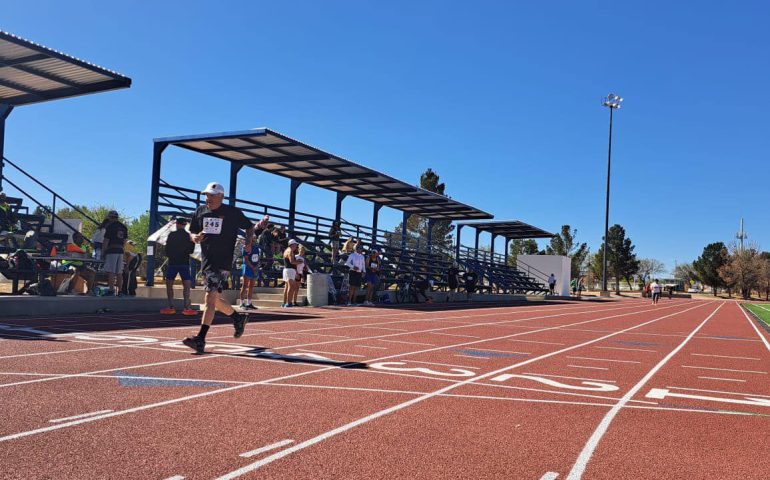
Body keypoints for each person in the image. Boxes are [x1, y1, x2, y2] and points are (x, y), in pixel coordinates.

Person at [182, 182, 253, 354]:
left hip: (223, 261)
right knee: (213, 300)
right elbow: (191, 232)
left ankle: (201, 339)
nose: (208, 199)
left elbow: (250, 226)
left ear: (221, 196)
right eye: (207, 195)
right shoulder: (200, 211)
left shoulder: (232, 212)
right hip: (207, 260)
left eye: (212, 195)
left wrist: (249, 243)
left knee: (209, 299)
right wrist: (194, 237)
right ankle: (237, 317)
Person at [161, 217, 196, 315]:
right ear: (185, 225)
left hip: (173, 262)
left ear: (177, 224)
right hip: (184, 262)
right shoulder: (188, 236)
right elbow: (191, 250)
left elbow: (167, 250)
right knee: (187, 285)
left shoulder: (171, 235)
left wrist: (172, 254)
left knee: (169, 284)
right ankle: (186, 307)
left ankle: (171, 306)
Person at [101, 210, 128, 296]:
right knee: (119, 272)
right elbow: (124, 241)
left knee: (111, 272)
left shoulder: (110, 227)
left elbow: (106, 240)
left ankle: (111, 290)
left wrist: (103, 252)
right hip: (120, 251)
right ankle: (120, 291)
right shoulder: (123, 227)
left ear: (110, 217)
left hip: (111, 250)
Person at [239, 235, 260, 310]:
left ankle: (249, 303)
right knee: (245, 285)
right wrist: (252, 267)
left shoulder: (256, 248)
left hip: (254, 268)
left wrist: (256, 267)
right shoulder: (245, 247)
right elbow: (246, 259)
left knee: (251, 286)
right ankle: (241, 303)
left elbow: (258, 258)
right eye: (252, 238)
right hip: (248, 268)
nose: (254, 240)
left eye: (254, 238)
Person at [282, 239, 300, 308]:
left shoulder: (286, 250)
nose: (296, 246)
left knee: (287, 287)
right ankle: (289, 303)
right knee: (291, 286)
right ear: (292, 245)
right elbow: (292, 262)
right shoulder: (290, 251)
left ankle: (284, 303)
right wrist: (299, 262)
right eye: (295, 245)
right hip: (289, 270)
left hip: (287, 270)